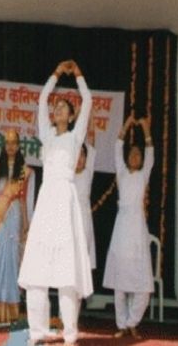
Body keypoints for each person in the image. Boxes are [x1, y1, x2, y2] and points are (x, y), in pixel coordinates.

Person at [18, 60, 93, 346]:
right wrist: (54, 74)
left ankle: (70, 334)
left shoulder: (76, 137)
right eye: (57, 107)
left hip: (66, 199)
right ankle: (37, 332)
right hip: (47, 199)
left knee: (66, 272)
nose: (57, 109)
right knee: (37, 268)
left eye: (64, 107)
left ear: (72, 117)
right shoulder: (47, 135)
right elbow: (41, 100)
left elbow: (87, 100)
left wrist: (78, 75)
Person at [103, 116, 154, 339]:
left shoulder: (143, 175)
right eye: (132, 153)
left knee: (142, 284)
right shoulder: (122, 173)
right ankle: (122, 325)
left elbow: (151, 153)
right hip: (122, 228)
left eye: (138, 154)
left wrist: (146, 130)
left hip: (138, 230)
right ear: (127, 159)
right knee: (120, 283)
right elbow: (117, 148)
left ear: (142, 160)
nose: (135, 155)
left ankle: (133, 321)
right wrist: (124, 127)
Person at [0, 129, 35, 323]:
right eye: (7, 142)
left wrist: (26, 225)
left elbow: (25, 201)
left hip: (15, 217)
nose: (10, 146)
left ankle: (9, 309)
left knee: (11, 260)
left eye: (13, 142)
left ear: (19, 146)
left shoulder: (25, 171)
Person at [74, 114, 97, 270]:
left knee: (82, 260)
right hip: (69, 217)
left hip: (84, 219)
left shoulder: (88, 172)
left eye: (82, 155)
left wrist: (90, 116)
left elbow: (92, 139)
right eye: (77, 155)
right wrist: (74, 117)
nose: (80, 158)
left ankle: (80, 294)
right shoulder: (67, 173)